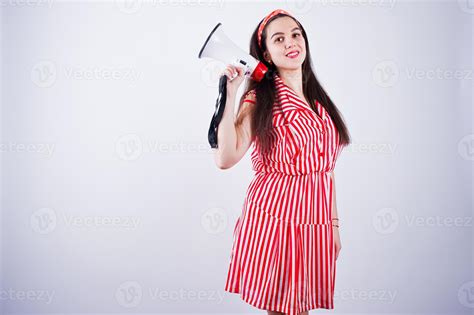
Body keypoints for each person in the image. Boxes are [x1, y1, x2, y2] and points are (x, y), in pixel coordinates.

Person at [213, 9, 351, 315]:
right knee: (283, 310)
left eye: (295, 34)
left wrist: (334, 226)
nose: (291, 43)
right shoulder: (260, 100)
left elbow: (324, 171)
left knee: (299, 309)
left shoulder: (317, 101)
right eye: (279, 39)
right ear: (266, 53)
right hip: (277, 220)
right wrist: (232, 91)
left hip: (313, 221)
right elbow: (225, 157)